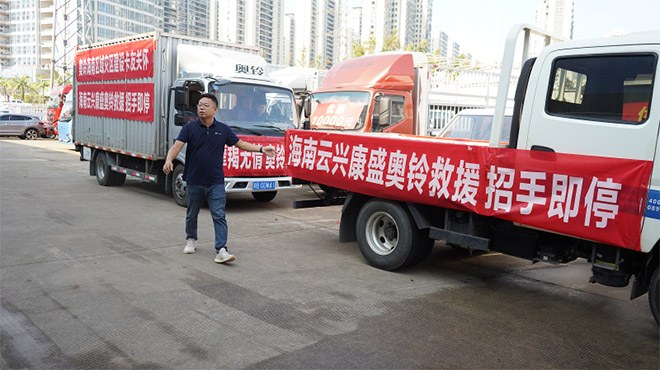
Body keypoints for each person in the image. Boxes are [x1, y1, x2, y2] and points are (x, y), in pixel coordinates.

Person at [163, 93, 276, 264]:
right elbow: (177, 146)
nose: (201, 108)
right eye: (199, 105)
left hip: (215, 180)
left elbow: (240, 144)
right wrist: (169, 159)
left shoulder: (223, 129)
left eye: (205, 105)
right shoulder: (189, 128)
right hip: (194, 180)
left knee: (219, 215)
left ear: (215, 109)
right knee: (192, 213)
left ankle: (221, 250)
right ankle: (191, 239)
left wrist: (261, 149)